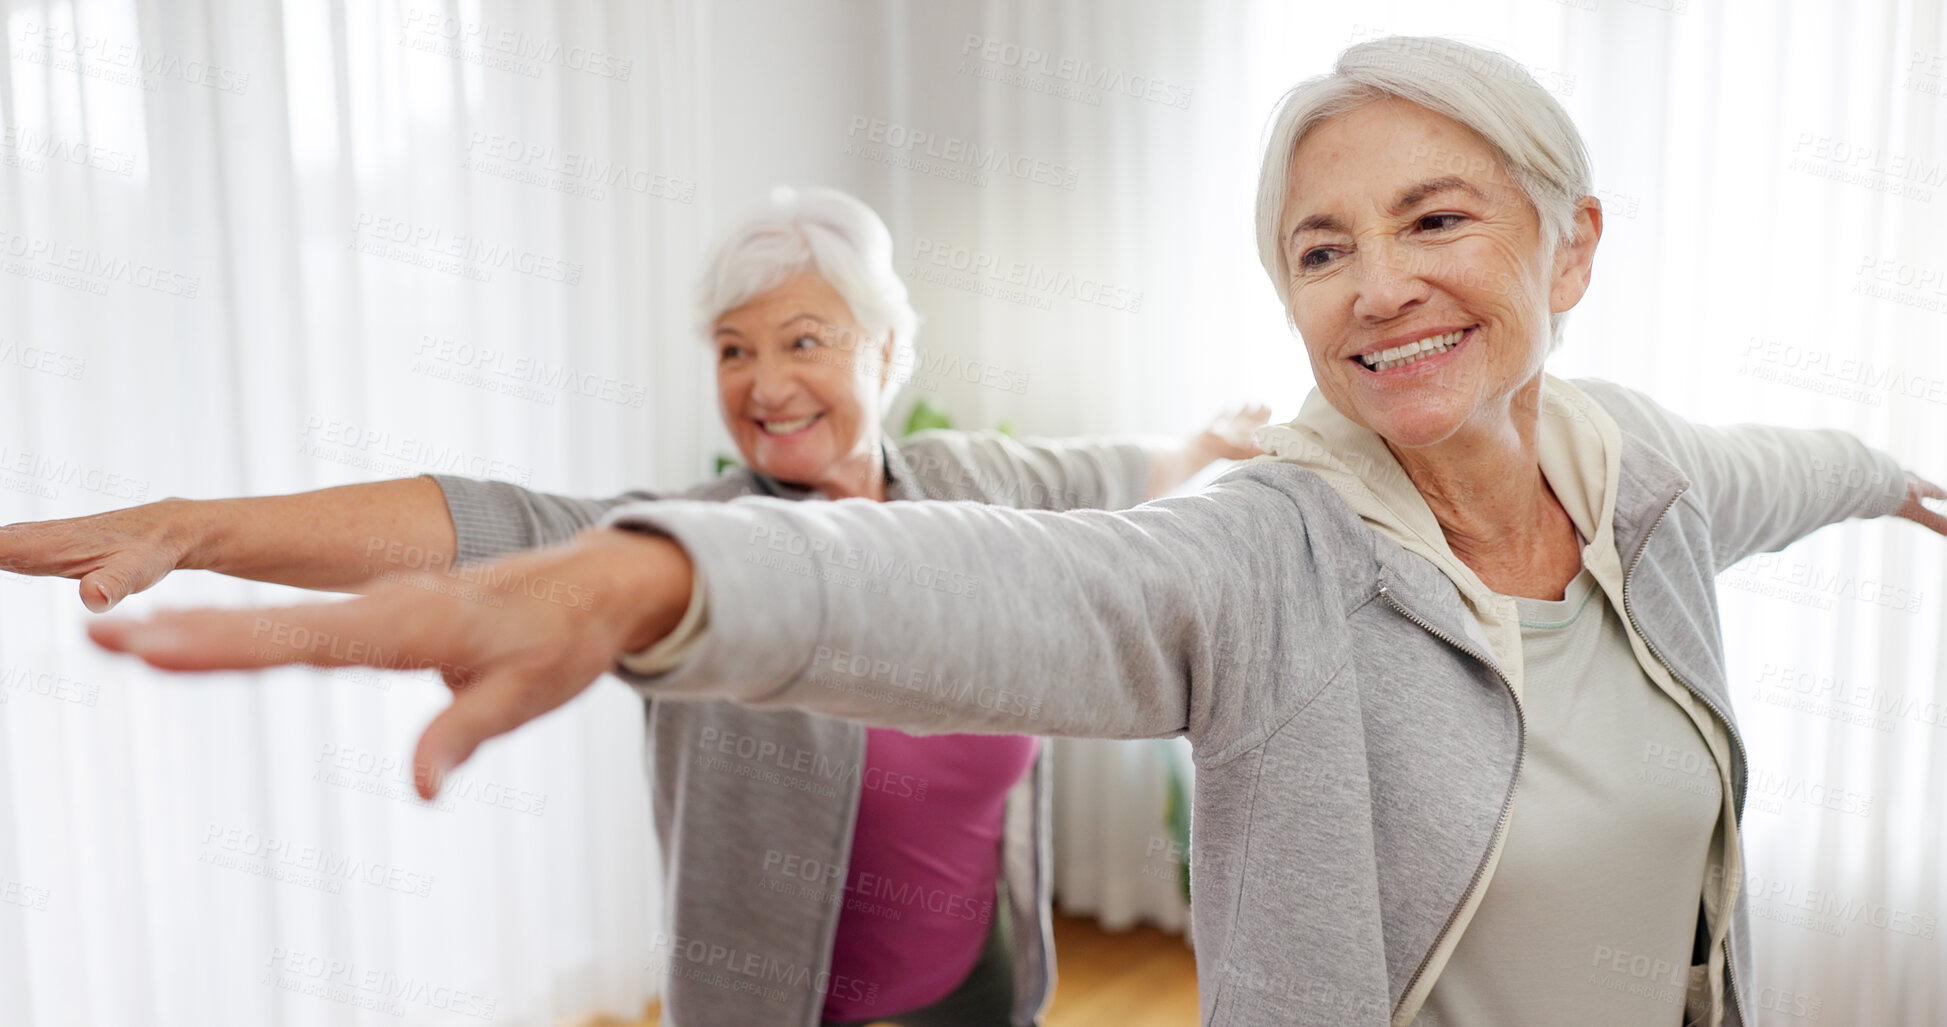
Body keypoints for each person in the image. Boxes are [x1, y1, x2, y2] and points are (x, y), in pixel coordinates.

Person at [63, 36, 1947, 1027]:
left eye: (1435, 223)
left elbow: (1779, 464)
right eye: (1319, 248)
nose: (1375, 288)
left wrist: (1893, 468)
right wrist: (655, 569)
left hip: (977, 976)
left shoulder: (1645, 473)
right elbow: (985, 587)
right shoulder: (1259, 553)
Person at [1, 186, 1266, 1027]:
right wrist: (204, 528)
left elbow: (1130, 468)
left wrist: (1218, 437)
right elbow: (489, 521)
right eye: (732, 347)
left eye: (805, 339)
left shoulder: (986, 488)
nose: (763, 382)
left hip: (981, 982)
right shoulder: (686, 542)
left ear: (888, 352)